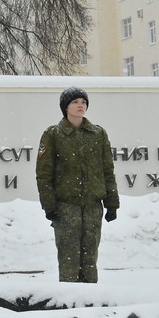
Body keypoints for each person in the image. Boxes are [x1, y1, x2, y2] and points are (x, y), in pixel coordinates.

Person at [36, 87, 119, 283]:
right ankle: (69, 299)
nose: (80, 105)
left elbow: (107, 170)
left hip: (92, 206)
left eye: (83, 102)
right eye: (75, 102)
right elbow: (44, 173)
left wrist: (112, 204)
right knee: (69, 258)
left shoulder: (98, 133)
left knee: (90, 258)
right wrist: (49, 206)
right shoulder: (53, 134)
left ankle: (90, 297)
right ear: (65, 107)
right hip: (66, 206)